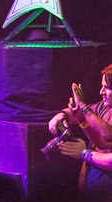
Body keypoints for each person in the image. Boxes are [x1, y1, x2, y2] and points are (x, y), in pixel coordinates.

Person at [48, 64, 112, 194]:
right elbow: (101, 142)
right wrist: (63, 115)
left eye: (107, 87)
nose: (101, 92)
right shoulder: (104, 107)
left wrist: (84, 153)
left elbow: (107, 135)